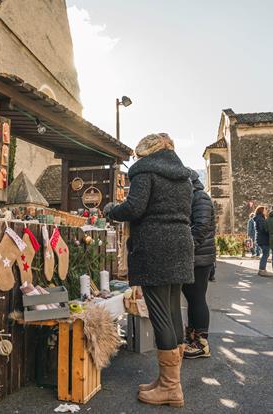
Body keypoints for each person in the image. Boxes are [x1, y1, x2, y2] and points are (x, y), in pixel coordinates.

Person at [105, 133, 193, 408]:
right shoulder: (184, 176)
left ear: (146, 153)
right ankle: (169, 381)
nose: (136, 160)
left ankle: (170, 387)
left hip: (155, 248)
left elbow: (134, 207)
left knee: (160, 316)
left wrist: (110, 209)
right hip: (180, 245)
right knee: (172, 312)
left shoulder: (144, 170)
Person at [182, 169, 216, 359]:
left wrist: (187, 248)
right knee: (193, 299)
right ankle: (193, 339)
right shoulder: (195, 197)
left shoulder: (200, 197)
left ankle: (202, 345)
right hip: (198, 257)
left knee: (197, 299)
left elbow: (201, 227)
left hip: (199, 258)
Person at [253, 206, 271, 277]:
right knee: (265, 254)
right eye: (265, 210)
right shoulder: (260, 218)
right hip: (263, 239)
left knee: (265, 254)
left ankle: (262, 269)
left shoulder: (259, 218)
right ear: (261, 211)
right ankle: (262, 270)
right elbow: (263, 228)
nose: (266, 211)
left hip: (261, 239)